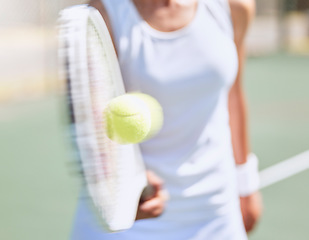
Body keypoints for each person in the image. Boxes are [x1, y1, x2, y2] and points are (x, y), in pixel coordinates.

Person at [71, 0, 262, 239]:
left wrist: (246, 183)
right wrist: (130, 185)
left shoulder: (235, 6)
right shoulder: (103, 13)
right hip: (133, 216)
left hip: (216, 212)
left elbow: (233, 95)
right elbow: (94, 127)